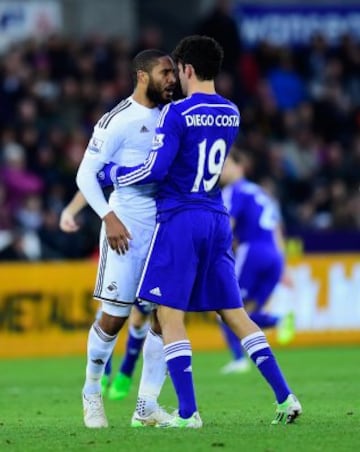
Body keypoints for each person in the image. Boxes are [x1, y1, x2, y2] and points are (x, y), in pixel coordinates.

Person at [111, 35, 302, 427]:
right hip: (217, 218)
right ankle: (285, 398)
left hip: (181, 218)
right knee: (236, 313)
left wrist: (115, 174)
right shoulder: (231, 112)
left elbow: (156, 171)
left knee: (171, 316)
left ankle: (188, 412)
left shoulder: (176, 113)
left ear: (187, 70)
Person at [75, 49, 177, 428]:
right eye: (164, 72)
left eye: (173, 73)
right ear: (141, 75)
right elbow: (85, 176)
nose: (171, 79)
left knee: (165, 317)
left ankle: (146, 407)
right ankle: (91, 392)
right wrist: (109, 216)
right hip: (126, 229)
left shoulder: (172, 115)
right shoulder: (117, 120)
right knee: (115, 317)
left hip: (165, 228)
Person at [59, 191, 150, 401]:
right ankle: (102, 375)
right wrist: (71, 211)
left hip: (152, 238)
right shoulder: (116, 161)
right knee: (109, 312)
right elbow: (91, 178)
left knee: (140, 319)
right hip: (118, 238)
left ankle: (126, 372)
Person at [218, 151, 296, 374]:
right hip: (274, 255)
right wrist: (284, 265)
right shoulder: (260, 192)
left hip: (252, 251)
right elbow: (277, 230)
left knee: (225, 309)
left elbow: (227, 225)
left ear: (239, 168)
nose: (221, 171)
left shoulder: (234, 191)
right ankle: (278, 321)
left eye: (226, 165)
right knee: (247, 313)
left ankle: (238, 359)